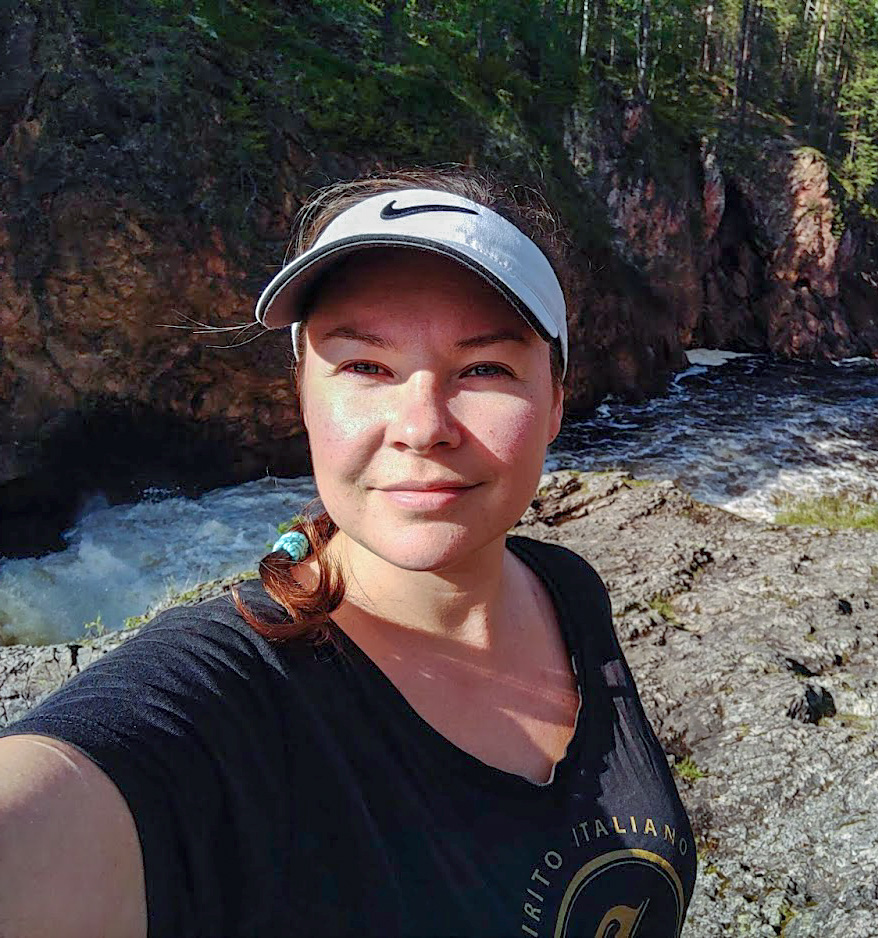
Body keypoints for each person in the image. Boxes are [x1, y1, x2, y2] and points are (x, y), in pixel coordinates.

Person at [0, 168, 697, 937]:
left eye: (485, 369)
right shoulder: (233, 695)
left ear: (557, 399)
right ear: (301, 390)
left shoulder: (566, 590)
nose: (422, 426)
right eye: (366, 366)